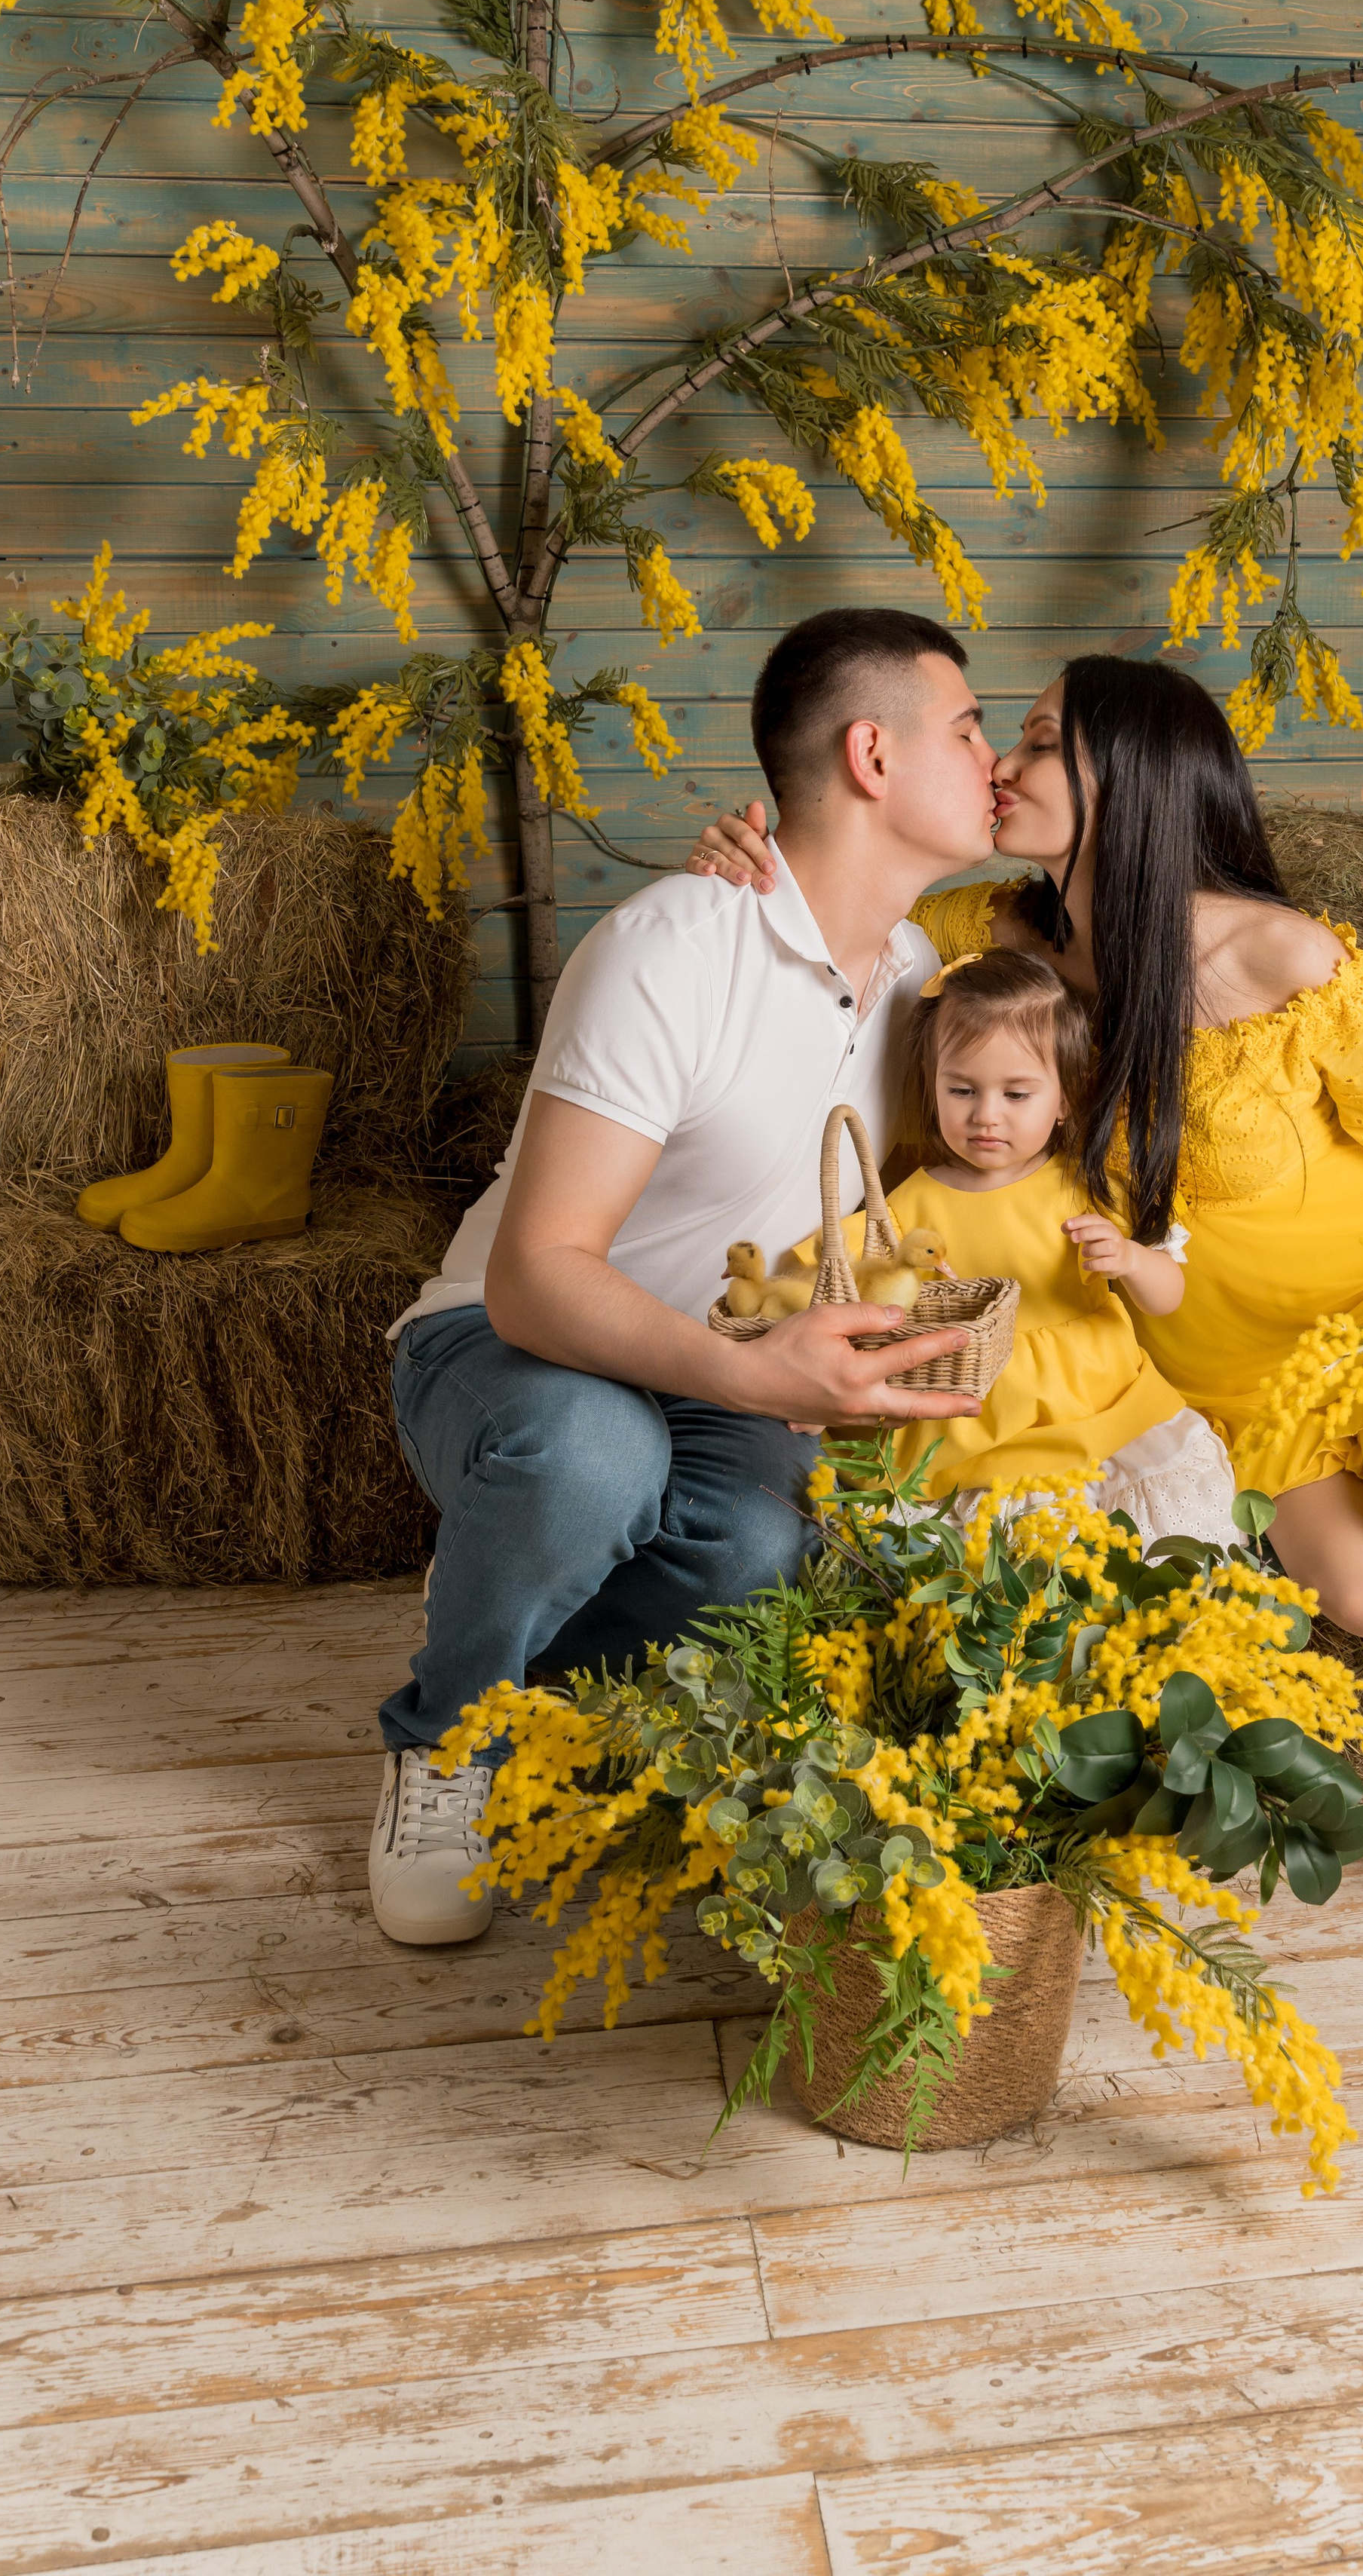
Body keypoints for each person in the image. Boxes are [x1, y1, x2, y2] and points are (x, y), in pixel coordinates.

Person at [685, 654, 1363, 2139]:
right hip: (1240, 1375)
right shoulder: (985, 940)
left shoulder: (1286, 959)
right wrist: (746, 874)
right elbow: (826, 931)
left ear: (1127, 783)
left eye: (1035, 745)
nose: (999, 767)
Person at [368, 605, 994, 1950]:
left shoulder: (923, 978)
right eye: (970, 727)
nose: (992, 758)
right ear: (874, 756)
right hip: (504, 1345)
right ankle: (446, 1741)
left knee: (763, 1554)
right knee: (591, 1456)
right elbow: (540, 1279)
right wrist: (756, 1376)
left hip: (707, 1367)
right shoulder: (675, 948)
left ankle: (528, 1640)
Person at [804, 943, 1242, 1544]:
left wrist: (1131, 1259)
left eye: (1016, 1095)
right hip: (981, 1412)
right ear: (931, 1086)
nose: (987, 1116)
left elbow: (1167, 1296)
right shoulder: (909, 1204)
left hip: (1095, 1398)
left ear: (1064, 1099)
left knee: (1155, 1531)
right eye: (962, 1091)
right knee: (1008, 1547)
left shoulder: (1081, 1187)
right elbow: (835, 1266)